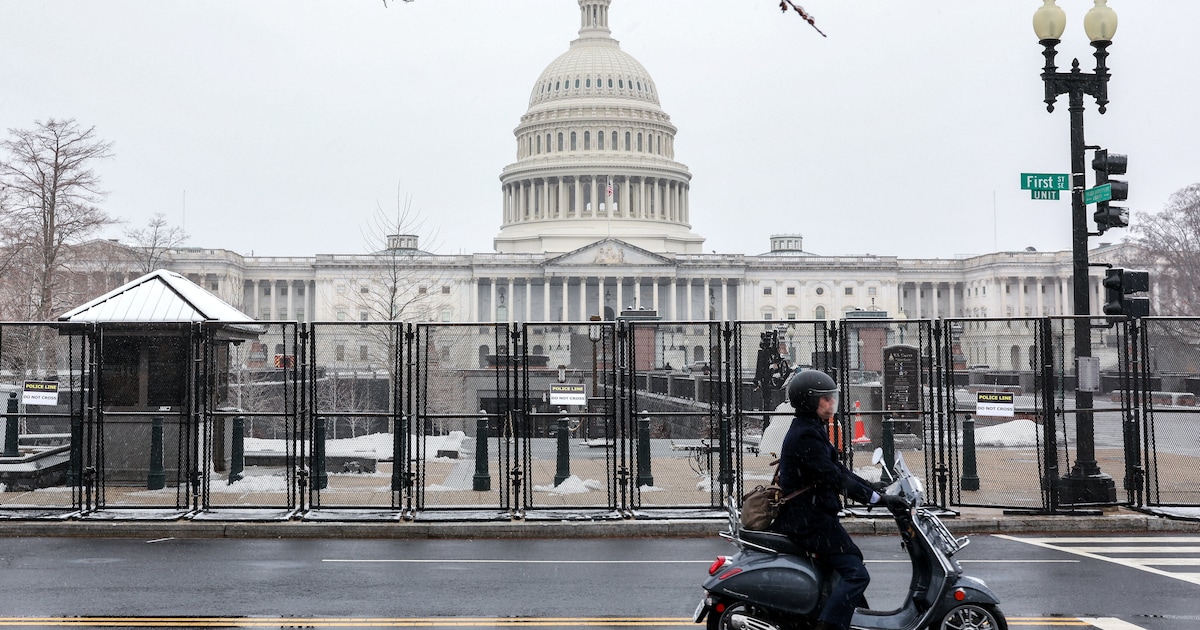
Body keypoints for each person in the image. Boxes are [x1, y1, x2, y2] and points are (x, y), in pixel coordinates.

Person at [770, 369, 905, 630]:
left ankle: (854, 619)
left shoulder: (809, 428)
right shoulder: (806, 434)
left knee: (850, 563)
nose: (831, 403)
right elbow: (832, 477)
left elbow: (838, 470)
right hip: (809, 520)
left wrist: (873, 487)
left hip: (813, 516)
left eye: (832, 397)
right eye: (825, 398)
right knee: (856, 573)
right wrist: (877, 499)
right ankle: (829, 625)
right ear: (809, 401)